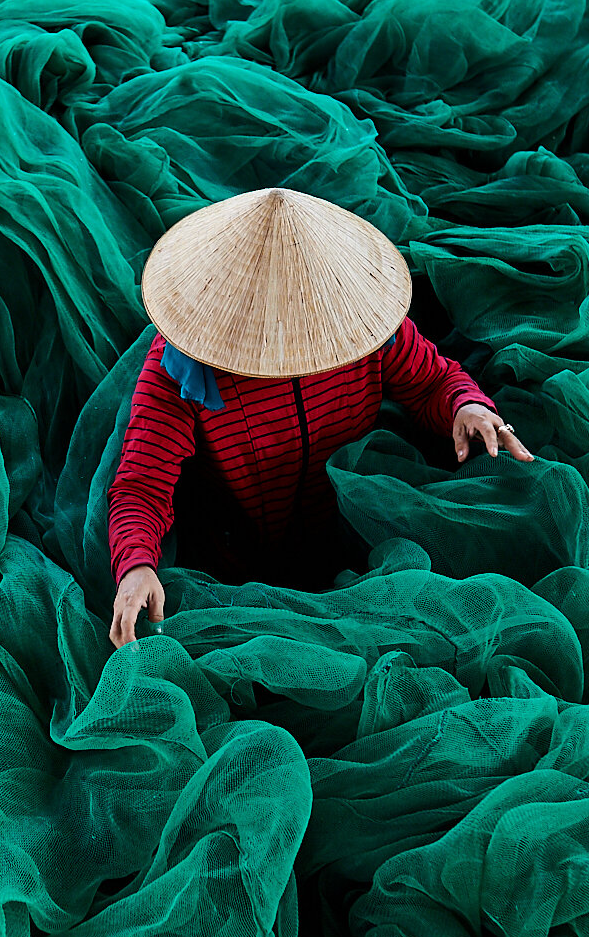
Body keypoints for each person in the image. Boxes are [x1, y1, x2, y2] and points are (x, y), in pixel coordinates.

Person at [106, 187, 535, 648]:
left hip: (354, 537)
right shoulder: (183, 368)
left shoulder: (363, 323)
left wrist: (466, 405)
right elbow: (142, 486)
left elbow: (433, 380)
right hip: (241, 558)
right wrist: (136, 566)